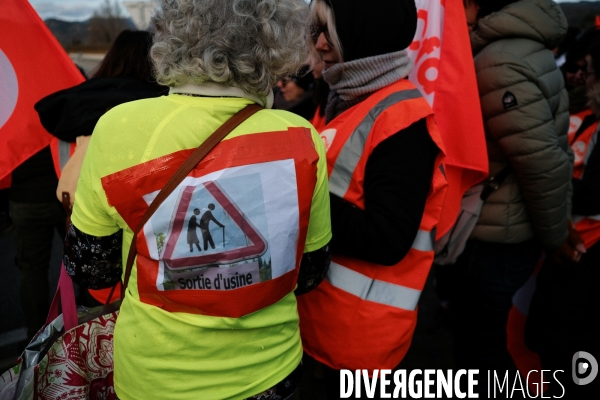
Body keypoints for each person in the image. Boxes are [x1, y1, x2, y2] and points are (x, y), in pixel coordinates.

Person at [63, 1, 332, 399]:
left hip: (157, 379)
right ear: (274, 42)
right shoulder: (300, 136)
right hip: (271, 372)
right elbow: (309, 272)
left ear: (171, 35)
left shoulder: (119, 128)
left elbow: (92, 271)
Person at [296, 1, 447, 398]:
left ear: (367, 37)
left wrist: (299, 197)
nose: (321, 44)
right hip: (319, 325)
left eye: (330, 32)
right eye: (317, 31)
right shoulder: (341, 97)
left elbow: (387, 240)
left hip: (360, 345)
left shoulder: (404, 124)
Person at [451, 0, 571, 390]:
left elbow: (540, 162)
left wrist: (556, 238)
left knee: (479, 350)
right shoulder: (517, 49)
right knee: (481, 344)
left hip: (497, 236)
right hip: (504, 226)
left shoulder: (500, 62)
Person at [35, 30, 168, 305]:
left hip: (94, 261)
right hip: (154, 269)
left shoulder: (69, 113)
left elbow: (65, 177)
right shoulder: (161, 108)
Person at [525, 40, 600, 398]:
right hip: (575, 247)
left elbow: (593, 192)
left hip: (585, 251)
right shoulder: (585, 118)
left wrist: (545, 172)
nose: (583, 80)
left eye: (590, 72)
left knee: (565, 350)